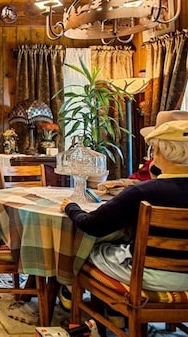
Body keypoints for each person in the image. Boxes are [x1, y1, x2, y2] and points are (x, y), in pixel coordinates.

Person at [61, 110, 188, 292]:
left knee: (87, 250)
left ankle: (101, 310)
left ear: (159, 151)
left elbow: (92, 225)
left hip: (148, 275)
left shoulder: (143, 192)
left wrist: (71, 207)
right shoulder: (148, 188)